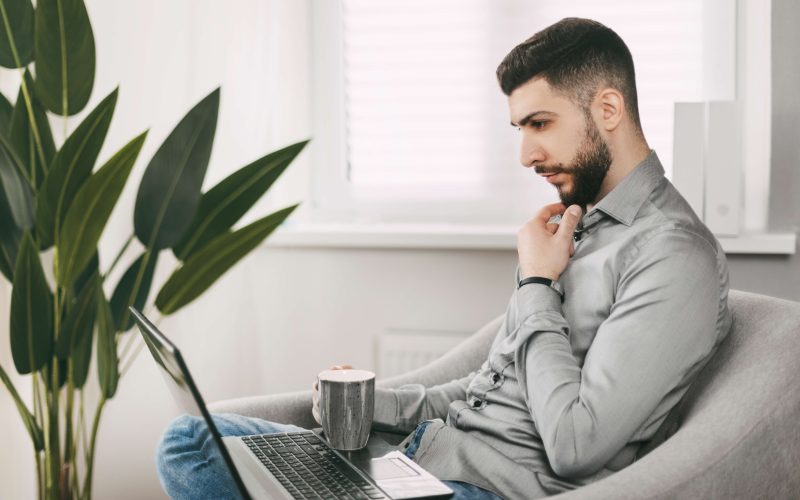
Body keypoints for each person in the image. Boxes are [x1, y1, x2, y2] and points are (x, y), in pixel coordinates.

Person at [156, 17, 731, 500]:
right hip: (420, 461)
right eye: (518, 128)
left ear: (608, 108)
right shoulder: (572, 227)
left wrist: (535, 281)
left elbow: (575, 446)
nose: (526, 154)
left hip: (484, 488)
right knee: (189, 441)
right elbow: (483, 391)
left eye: (540, 123)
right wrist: (367, 405)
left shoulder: (673, 256)